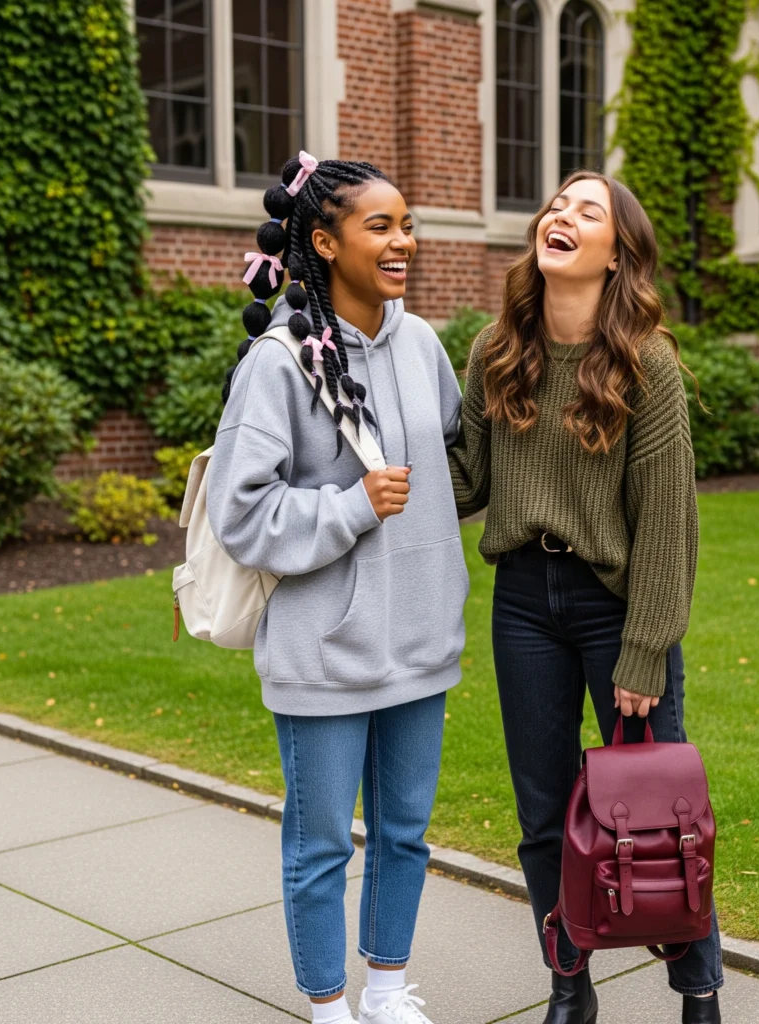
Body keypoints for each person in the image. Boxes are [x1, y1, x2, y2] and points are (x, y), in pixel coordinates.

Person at [448, 170, 723, 1024]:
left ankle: (698, 990)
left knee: (662, 814)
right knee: (541, 813)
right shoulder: (497, 350)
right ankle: (570, 985)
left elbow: (669, 527)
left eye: (587, 211)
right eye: (558, 205)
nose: (561, 217)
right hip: (524, 600)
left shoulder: (648, 365)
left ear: (616, 255)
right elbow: (464, 485)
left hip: (616, 605)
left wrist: (644, 649)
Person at [208, 154, 467, 1024]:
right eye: (381, 227)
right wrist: (351, 507)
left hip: (421, 639)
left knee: (405, 835)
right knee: (320, 844)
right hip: (324, 649)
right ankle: (328, 1005)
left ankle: (387, 991)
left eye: (407, 224)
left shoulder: (424, 345)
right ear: (324, 241)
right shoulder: (281, 365)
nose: (405, 242)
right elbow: (240, 513)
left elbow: (453, 468)